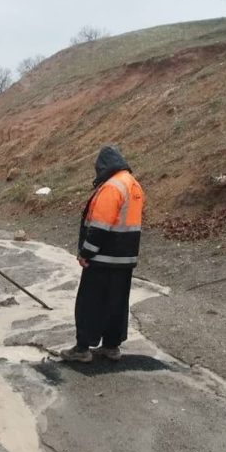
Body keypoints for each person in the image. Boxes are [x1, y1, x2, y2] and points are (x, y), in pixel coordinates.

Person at [60, 145, 146, 363]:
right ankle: (111, 346)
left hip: (103, 258)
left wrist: (86, 253)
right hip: (125, 258)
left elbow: (99, 226)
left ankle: (82, 348)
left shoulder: (112, 187)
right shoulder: (133, 185)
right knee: (116, 304)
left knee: (90, 303)